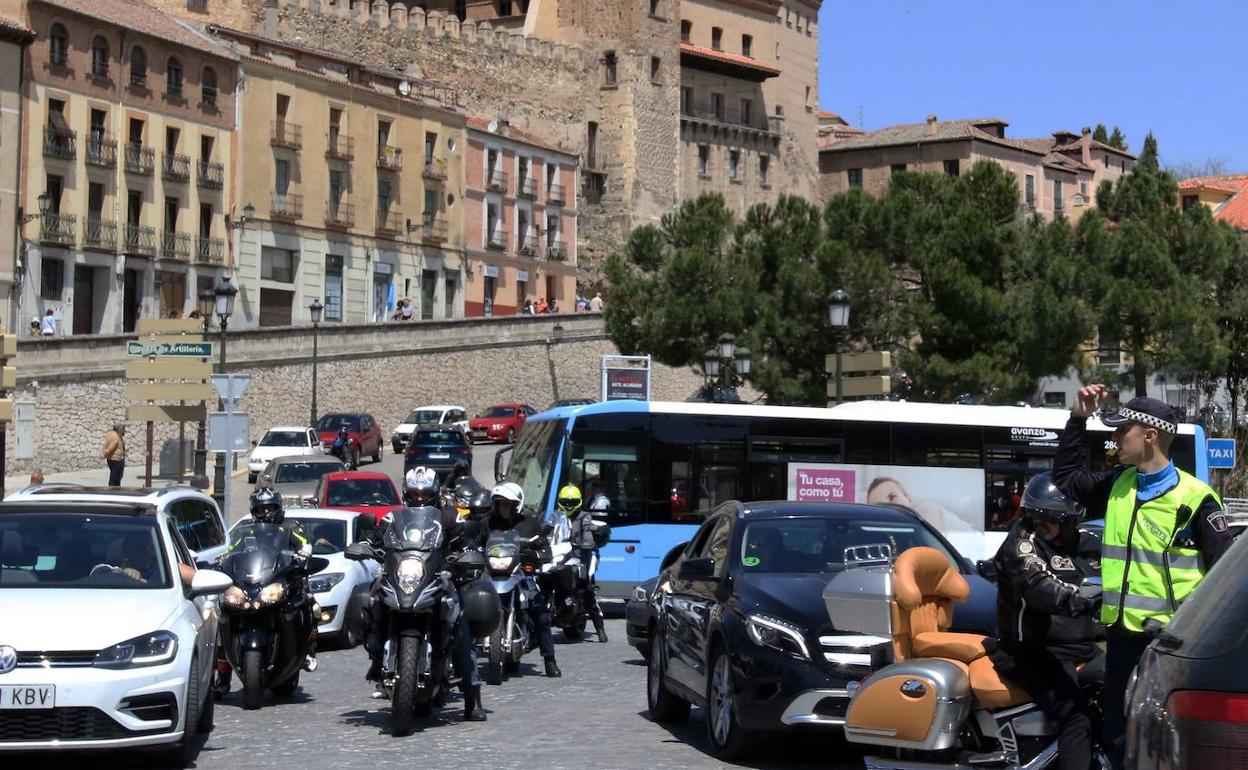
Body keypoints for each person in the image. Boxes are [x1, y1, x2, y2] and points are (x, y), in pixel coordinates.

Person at [1053, 385, 1236, 768]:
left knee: (1168, 747)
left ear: (1149, 436)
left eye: (1123, 430)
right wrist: (1077, 419)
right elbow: (1066, 480)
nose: (1115, 438)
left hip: (1174, 650)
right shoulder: (1119, 485)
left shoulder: (1197, 500)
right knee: (1119, 742)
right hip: (1122, 644)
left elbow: (1227, 586)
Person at [990, 473, 1102, 770]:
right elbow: (1038, 585)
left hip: (1082, 647)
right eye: (1035, 515)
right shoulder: (1022, 544)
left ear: (1071, 520)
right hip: (1031, 650)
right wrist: (1084, 601)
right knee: (1076, 716)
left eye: (1051, 518)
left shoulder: (1088, 544)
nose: (1041, 523)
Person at [487, 481, 561, 677]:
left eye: (507, 504)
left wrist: (535, 555)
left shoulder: (530, 524)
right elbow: (475, 543)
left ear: (516, 505)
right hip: (492, 574)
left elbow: (545, 550)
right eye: (500, 504)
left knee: (541, 614)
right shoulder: (489, 523)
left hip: (521, 576)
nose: (503, 508)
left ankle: (549, 659)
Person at [246, 487, 318, 671]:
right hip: (259, 577)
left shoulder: (290, 527)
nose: (266, 512)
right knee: (225, 609)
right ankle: (223, 674)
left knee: (307, 602)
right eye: (261, 509)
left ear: (279, 507)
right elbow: (233, 548)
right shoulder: (249, 531)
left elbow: (304, 543)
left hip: (286, 576)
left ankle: (308, 650)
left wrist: (303, 554)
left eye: (270, 507)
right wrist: (224, 558)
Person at [557, 484, 608, 643]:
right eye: (565, 502)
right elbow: (548, 528)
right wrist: (540, 535)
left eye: (572, 502)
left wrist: (586, 541)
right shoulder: (557, 516)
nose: (568, 505)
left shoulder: (585, 516)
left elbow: (587, 530)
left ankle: (600, 629)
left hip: (582, 555)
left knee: (587, 589)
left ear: (578, 502)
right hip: (562, 556)